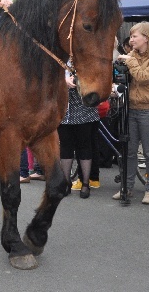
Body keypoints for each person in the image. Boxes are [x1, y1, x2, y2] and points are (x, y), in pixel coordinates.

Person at [113, 22, 149, 205]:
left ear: (147, 38)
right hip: (130, 108)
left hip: (148, 110)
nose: (131, 39)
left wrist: (130, 61)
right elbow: (126, 79)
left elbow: (143, 77)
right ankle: (127, 188)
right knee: (129, 151)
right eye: (131, 36)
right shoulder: (131, 56)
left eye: (135, 36)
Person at [59, 65, 100, 199]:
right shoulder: (59, 57)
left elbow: (95, 77)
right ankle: (66, 183)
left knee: (85, 146)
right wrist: (63, 80)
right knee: (65, 147)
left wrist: (78, 80)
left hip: (84, 109)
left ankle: (85, 184)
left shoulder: (84, 57)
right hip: (64, 110)